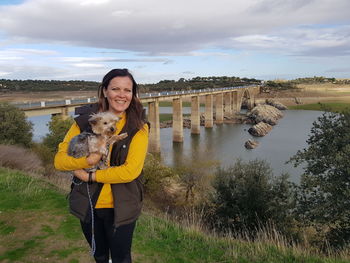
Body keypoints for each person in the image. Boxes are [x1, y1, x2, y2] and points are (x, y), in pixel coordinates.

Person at [54, 68, 149, 263]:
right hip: (88, 204)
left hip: (122, 207)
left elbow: (130, 171)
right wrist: (87, 162)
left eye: (127, 90)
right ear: (105, 91)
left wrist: (89, 176)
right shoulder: (84, 122)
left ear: (133, 94)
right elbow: (59, 161)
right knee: (100, 256)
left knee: (122, 258)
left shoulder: (138, 126)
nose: (122, 95)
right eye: (115, 89)